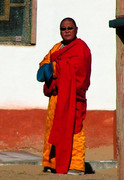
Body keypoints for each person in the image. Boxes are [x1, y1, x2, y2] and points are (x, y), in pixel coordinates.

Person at [37, 17, 91, 175]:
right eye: (63, 29)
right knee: (53, 129)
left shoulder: (81, 48)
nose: (66, 31)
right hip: (56, 97)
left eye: (69, 28)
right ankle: (52, 162)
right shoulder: (57, 47)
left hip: (72, 97)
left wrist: (54, 67)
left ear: (76, 29)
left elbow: (79, 71)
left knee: (74, 129)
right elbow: (44, 62)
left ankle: (75, 165)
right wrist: (47, 68)